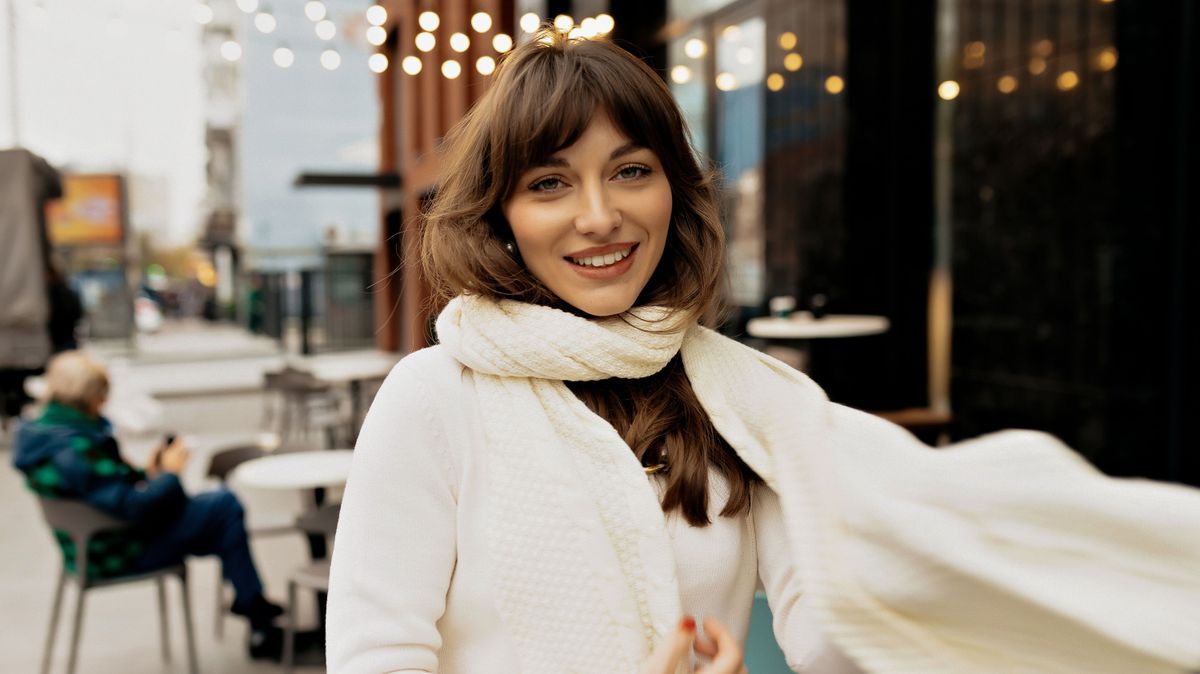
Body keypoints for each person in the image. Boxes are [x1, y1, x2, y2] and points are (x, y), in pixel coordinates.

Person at [326, 29, 1200, 674]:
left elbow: (833, 629)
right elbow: (377, 656)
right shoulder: (435, 397)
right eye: (550, 183)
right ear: (503, 218)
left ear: (674, 187)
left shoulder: (741, 402)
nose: (599, 215)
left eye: (631, 170)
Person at [11, 351, 285, 660]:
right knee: (224, 507)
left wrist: (148, 473)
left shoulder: (48, 436)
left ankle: (254, 608)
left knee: (220, 512)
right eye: (101, 397)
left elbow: (110, 489)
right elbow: (134, 506)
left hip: (92, 544)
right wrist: (169, 472)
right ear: (86, 398)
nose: (104, 404)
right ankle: (257, 614)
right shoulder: (74, 448)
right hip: (118, 548)